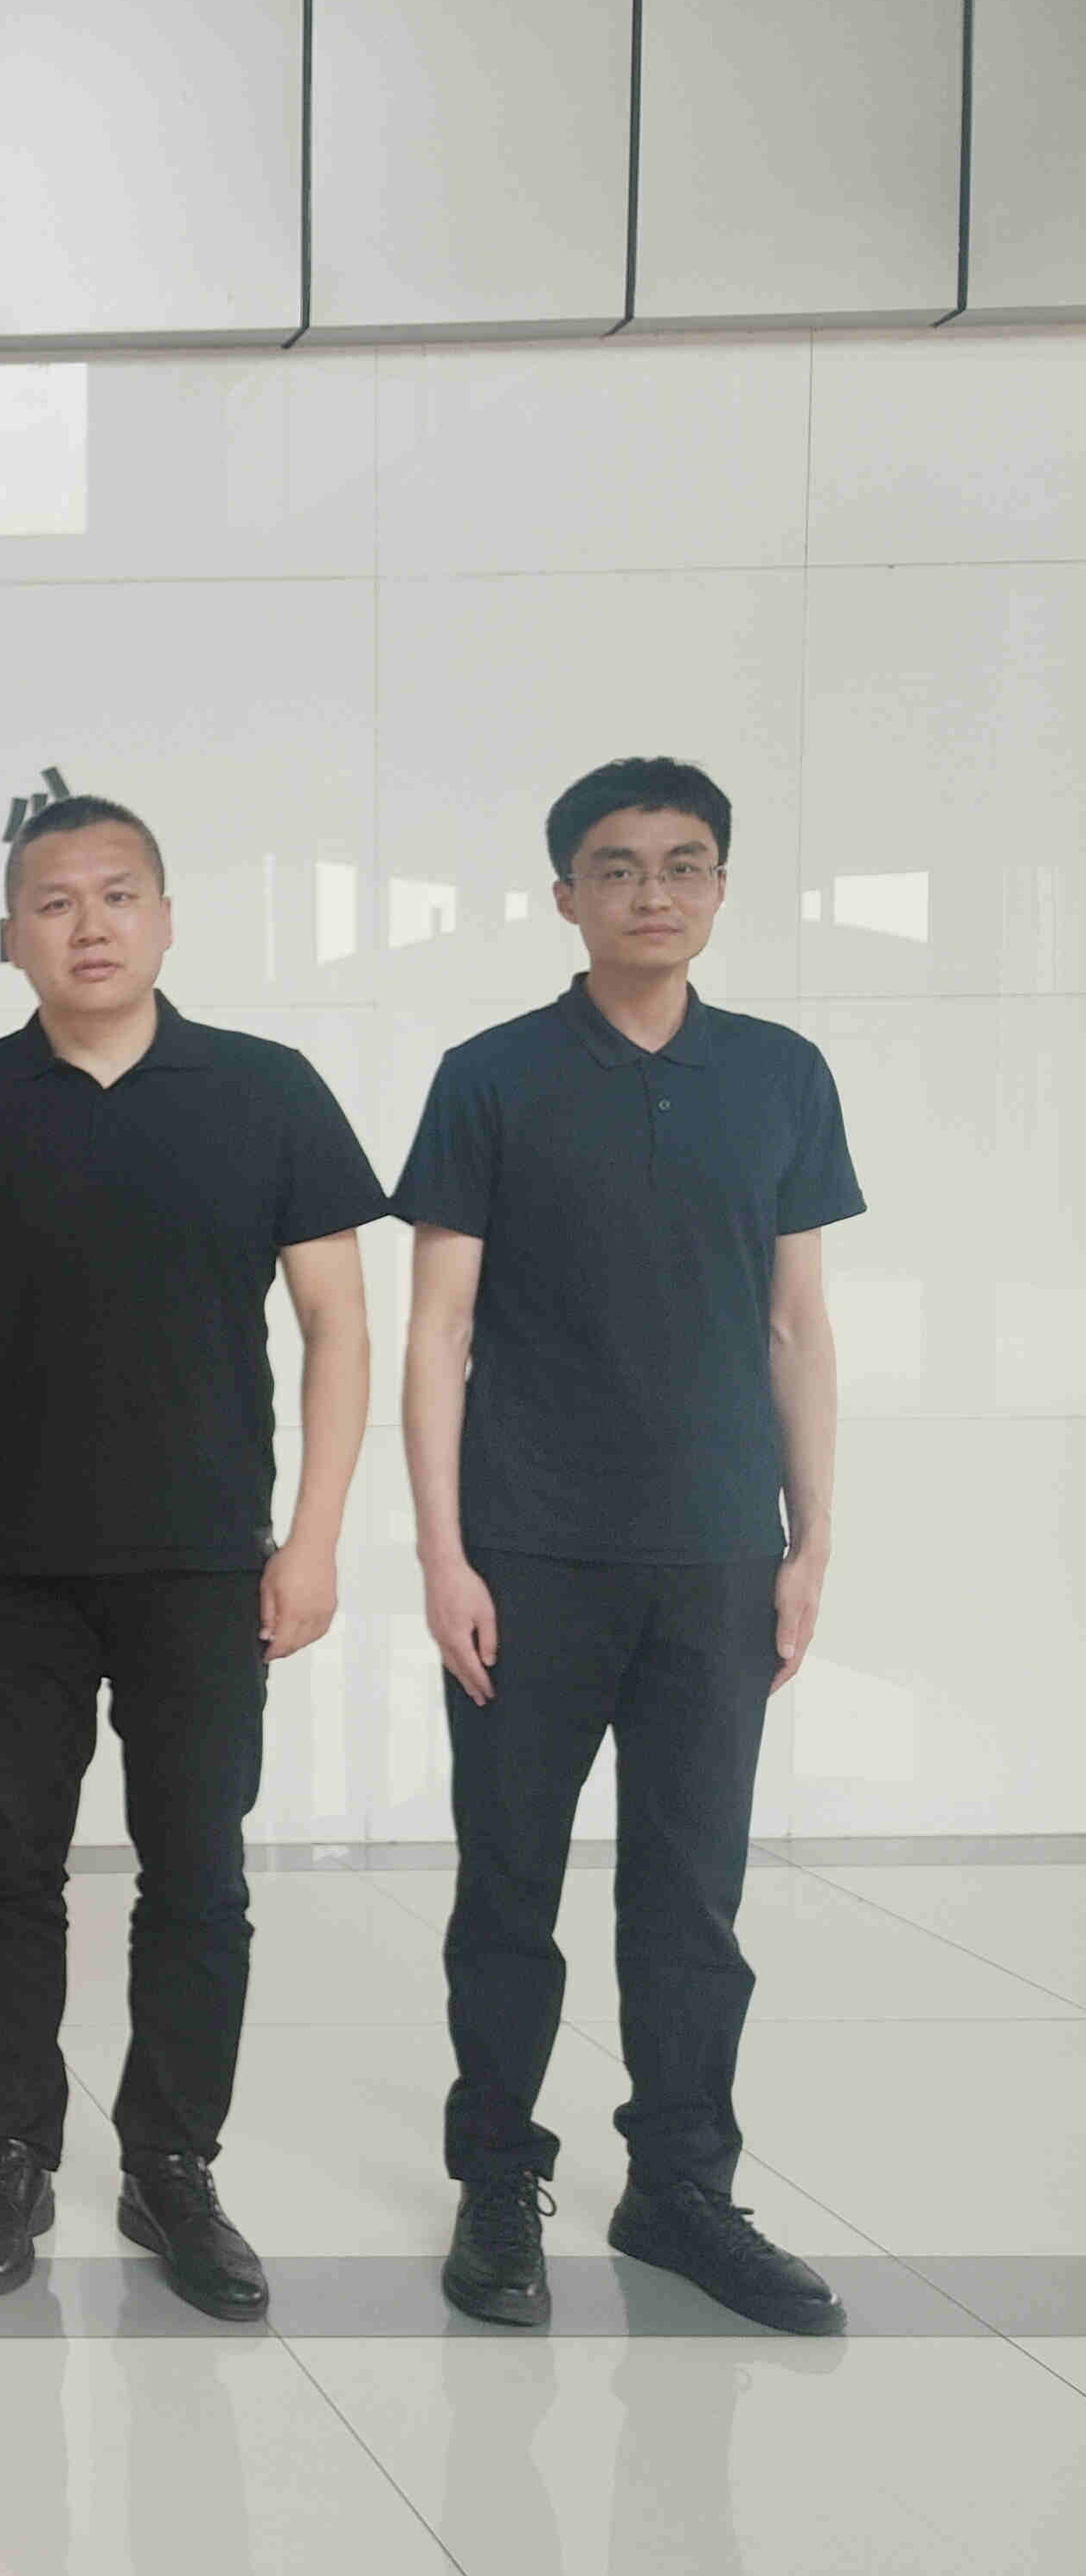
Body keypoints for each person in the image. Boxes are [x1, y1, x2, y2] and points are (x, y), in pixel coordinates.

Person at [0, 795, 381, 2322]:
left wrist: (313, 1541)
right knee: (8, 1869)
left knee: (198, 1876)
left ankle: (171, 2164)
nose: (88, 925)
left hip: (205, 1563)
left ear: (165, 918)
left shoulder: (266, 1091)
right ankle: (13, 2154)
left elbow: (339, 1326)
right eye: (55, 902)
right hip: (9, 1562)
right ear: (10, 936)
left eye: (117, 895)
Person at [397, 757, 861, 2336]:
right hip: (529, 1553)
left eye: (684, 864)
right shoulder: (491, 1075)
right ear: (565, 895)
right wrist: (444, 1554)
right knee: (507, 1890)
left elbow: (797, 1325)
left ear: (720, 887)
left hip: (720, 1554)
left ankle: (680, 2189)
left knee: (691, 1896)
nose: (654, 892)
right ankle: (495, 2179)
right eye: (618, 866)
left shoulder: (781, 1074)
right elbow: (438, 1330)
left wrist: (809, 1542)